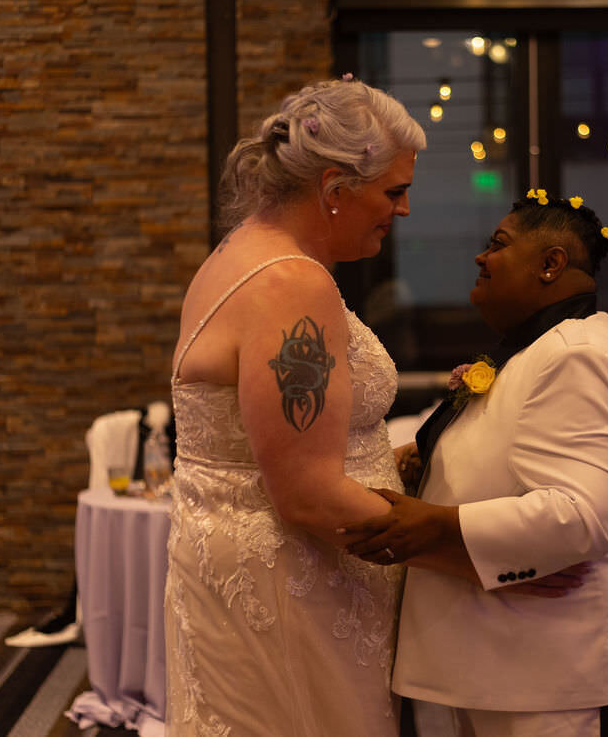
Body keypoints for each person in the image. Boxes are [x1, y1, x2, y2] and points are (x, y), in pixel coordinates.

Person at [343, 191, 608, 737]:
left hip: (569, 668)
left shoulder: (578, 353)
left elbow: (583, 514)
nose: (481, 257)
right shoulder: (538, 347)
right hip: (515, 661)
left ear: (550, 264)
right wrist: (424, 463)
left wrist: (435, 525)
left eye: (498, 245)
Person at [164, 76, 425, 736]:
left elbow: (266, 445)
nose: (403, 211)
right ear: (335, 189)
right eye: (394, 192)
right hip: (287, 582)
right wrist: (455, 542)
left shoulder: (241, 250)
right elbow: (306, 494)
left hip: (250, 565)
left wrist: (387, 463)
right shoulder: (291, 282)